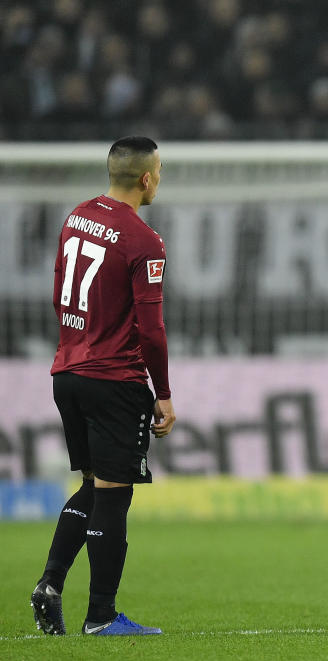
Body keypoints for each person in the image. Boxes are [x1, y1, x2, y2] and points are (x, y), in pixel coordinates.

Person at [31, 136, 175, 636]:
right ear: (147, 178)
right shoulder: (144, 241)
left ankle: (50, 582)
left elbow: (58, 290)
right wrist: (164, 392)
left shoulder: (77, 217)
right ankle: (101, 616)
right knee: (114, 496)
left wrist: (77, 342)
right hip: (113, 377)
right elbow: (152, 329)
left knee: (93, 486)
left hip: (67, 369)